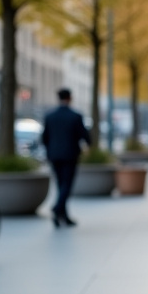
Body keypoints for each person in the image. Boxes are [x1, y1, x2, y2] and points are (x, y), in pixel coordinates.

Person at [41, 88, 91, 228]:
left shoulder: (50, 116)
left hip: (54, 155)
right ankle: (58, 208)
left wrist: (50, 150)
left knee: (60, 184)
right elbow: (85, 135)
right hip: (70, 155)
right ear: (70, 98)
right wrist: (88, 145)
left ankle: (62, 215)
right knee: (66, 185)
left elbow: (44, 137)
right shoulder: (75, 116)